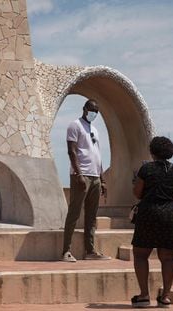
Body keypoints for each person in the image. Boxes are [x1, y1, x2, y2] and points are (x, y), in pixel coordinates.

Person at [131, 136, 173, 308]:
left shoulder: (146, 169)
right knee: (168, 258)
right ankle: (165, 296)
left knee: (140, 254)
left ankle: (144, 296)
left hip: (149, 213)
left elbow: (138, 193)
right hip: (171, 214)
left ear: (153, 152)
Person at [61, 99, 111, 262]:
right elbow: (72, 151)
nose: (94, 113)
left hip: (95, 176)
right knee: (74, 213)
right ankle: (66, 251)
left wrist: (102, 179)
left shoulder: (94, 130)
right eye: (91, 110)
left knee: (91, 215)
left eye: (96, 111)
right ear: (84, 109)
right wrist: (79, 173)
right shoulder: (74, 125)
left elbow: (97, 155)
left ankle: (90, 251)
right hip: (81, 176)